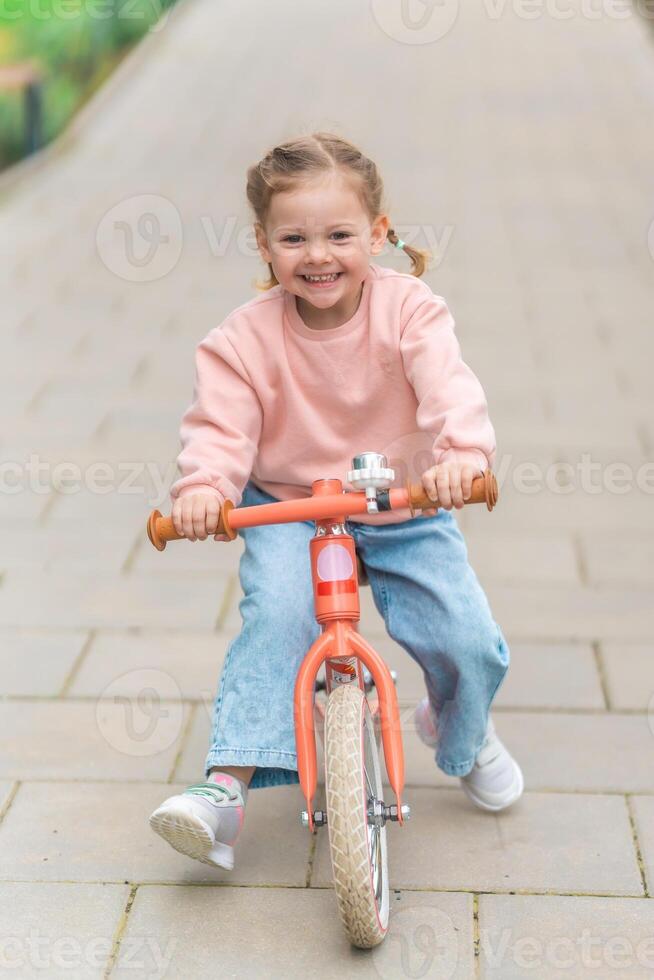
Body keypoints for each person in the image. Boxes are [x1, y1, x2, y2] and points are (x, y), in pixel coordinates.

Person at [149, 132, 523, 871]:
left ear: (377, 235)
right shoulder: (241, 340)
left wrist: (462, 459)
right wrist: (203, 490)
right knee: (280, 619)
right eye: (294, 238)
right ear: (263, 244)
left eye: (339, 235)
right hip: (293, 507)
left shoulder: (410, 311)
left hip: (402, 502)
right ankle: (226, 789)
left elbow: (448, 386)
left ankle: (460, 725)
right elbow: (221, 428)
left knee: (464, 637)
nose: (317, 255)